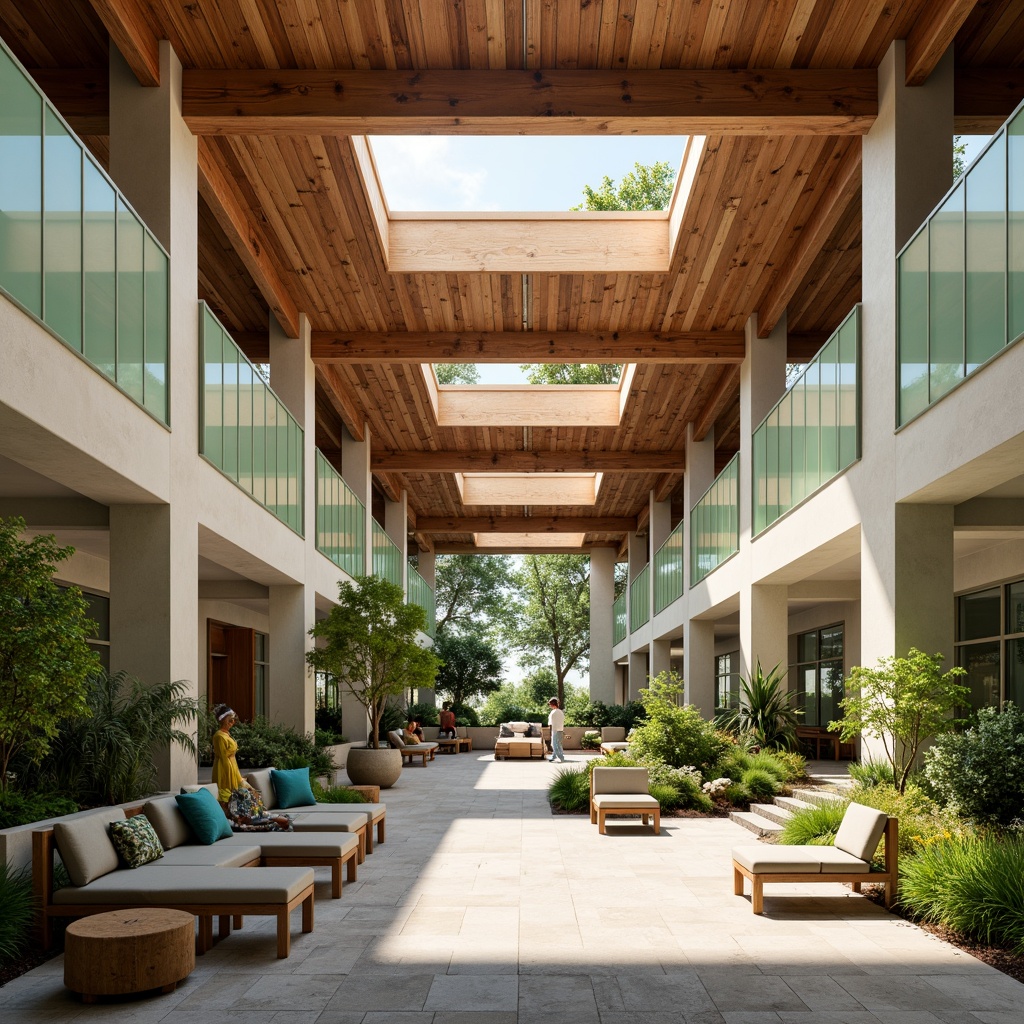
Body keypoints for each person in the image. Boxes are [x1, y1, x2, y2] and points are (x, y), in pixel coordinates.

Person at [211, 704, 246, 805]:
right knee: (226, 791)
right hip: (224, 767)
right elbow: (223, 756)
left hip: (232, 764)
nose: (232, 723)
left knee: (237, 789)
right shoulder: (219, 736)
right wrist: (228, 773)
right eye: (230, 720)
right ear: (222, 720)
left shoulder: (226, 734)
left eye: (233, 720)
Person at [547, 697, 565, 763]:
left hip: (555, 729)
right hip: (560, 729)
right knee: (559, 743)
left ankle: (561, 757)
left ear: (552, 704)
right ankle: (554, 756)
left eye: (550, 704)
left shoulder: (553, 712)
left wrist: (551, 730)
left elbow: (551, 723)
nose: (550, 706)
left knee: (554, 744)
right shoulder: (560, 712)